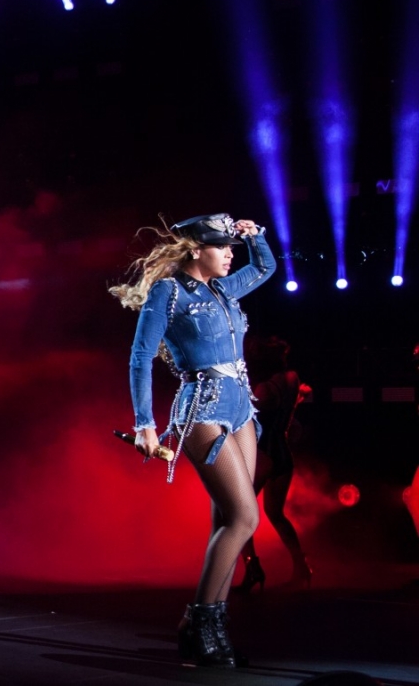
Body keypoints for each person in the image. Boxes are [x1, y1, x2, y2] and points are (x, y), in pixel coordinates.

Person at [115, 213, 275, 668]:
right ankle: (198, 623)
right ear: (196, 249)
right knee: (245, 517)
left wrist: (255, 236)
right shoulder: (169, 291)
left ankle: (210, 632)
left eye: (230, 247)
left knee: (226, 519)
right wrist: (145, 423)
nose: (229, 254)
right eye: (221, 246)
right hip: (203, 409)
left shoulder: (223, 289)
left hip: (241, 409)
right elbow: (141, 356)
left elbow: (264, 268)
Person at [234, 333, 311, 591]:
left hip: (264, 454)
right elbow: (287, 405)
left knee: (237, 513)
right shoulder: (292, 379)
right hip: (283, 453)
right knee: (275, 514)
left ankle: (253, 568)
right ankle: (302, 566)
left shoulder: (264, 389)